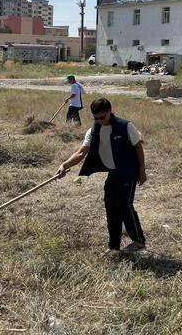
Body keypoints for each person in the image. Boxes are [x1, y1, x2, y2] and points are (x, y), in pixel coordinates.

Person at [55, 98, 147, 254]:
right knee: (111, 206)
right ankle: (114, 246)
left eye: (102, 117)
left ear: (110, 111)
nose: (99, 121)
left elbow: (138, 147)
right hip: (114, 173)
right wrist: (64, 165)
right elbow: (81, 152)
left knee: (124, 204)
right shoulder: (93, 131)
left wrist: (142, 170)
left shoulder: (125, 126)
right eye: (96, 118)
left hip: (128, 171)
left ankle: (138, 241)